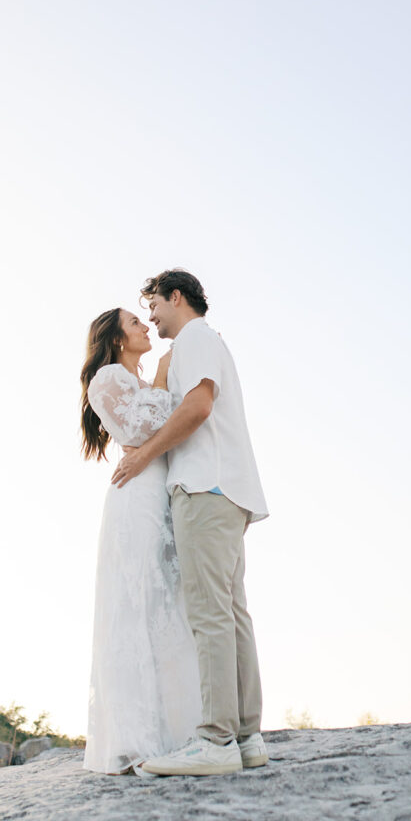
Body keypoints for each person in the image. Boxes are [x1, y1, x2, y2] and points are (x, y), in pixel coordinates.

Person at [112, 269, 269, 776]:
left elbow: (198, 407)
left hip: (205, 486)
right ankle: (246, 738)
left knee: (209, 615)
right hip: (227, 488)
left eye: (153, 304)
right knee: (230, 612)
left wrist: (145, 457)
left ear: (176, 297)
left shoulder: (196, 339)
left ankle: (216, 740)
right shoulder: (198, 344)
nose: (151, 316)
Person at [79, 307, 200, 774]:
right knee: (137, 604)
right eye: (135, 323)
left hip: (160, 492)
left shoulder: (137, 381)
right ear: (114, 339)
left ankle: (178, 731)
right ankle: (135, 739)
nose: (145, 327)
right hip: (137, 499)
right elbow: (139, 427)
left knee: (167, 605)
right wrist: (167, 372)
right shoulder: (107, 378)